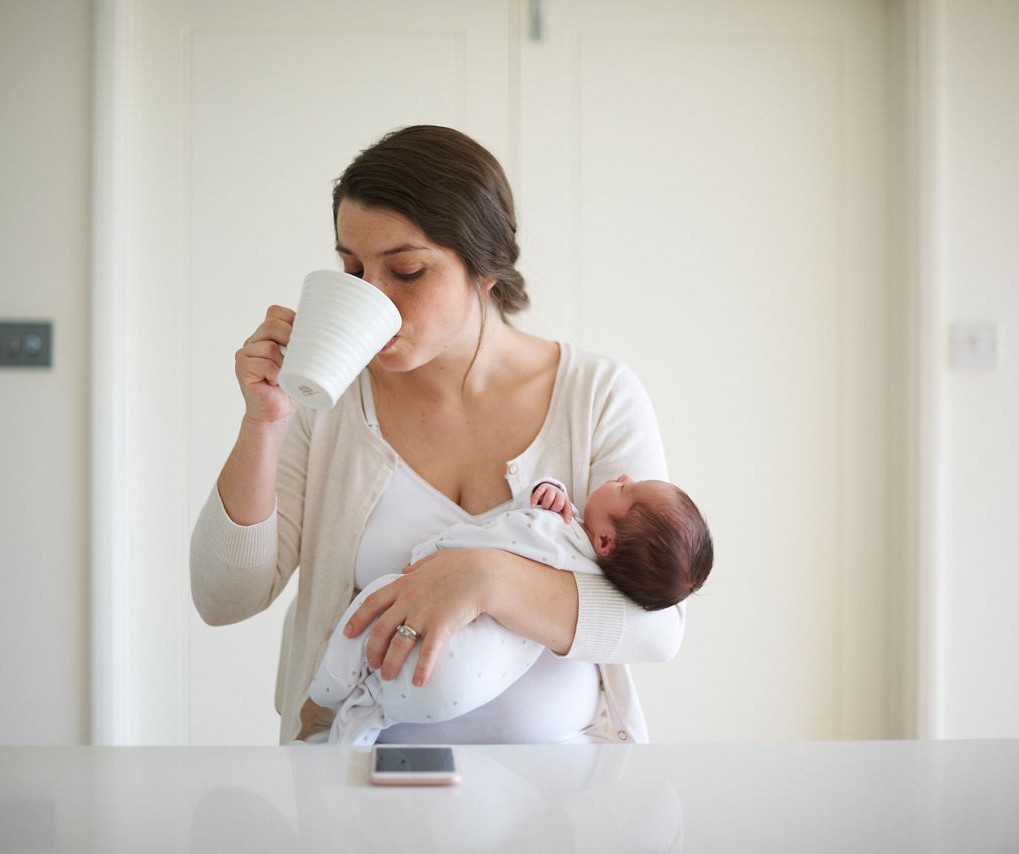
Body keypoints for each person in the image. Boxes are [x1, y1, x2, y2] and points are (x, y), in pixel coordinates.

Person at [190, 124, 688, 745]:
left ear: (485, 269)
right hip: (352, 796)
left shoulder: (596, 394)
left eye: (405, 271)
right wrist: (263, 424)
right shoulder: (331, 399)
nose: (371, 296)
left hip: (560, 805)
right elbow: (223, 597)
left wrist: (484, 577)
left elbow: (656, 625)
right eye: (351, 267)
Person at [311, 476, 713, 744]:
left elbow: (517, 526)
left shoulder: (572, 550)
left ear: (606, 542)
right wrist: (549, 490)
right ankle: (357, 711)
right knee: (380, 701)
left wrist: (488, 575)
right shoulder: (586, 560)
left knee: (379, 603)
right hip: (452, 692)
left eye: (628, 491)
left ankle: (329, 690)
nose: (623, 477)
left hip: (466, 664)